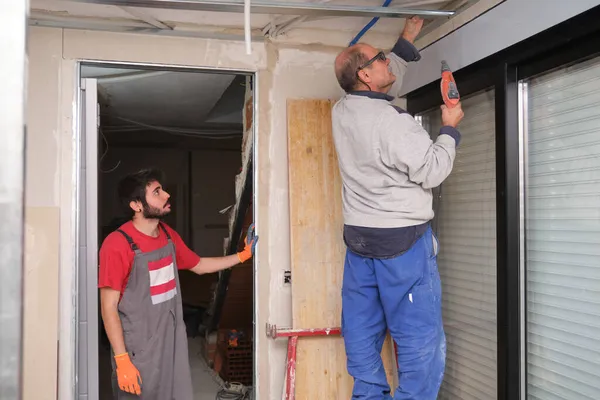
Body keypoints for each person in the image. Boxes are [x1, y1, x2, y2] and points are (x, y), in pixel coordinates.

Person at [331, 16, 464, 400]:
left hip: (359, 245)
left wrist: (406, 40)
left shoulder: (342, 111)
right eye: (381, 59)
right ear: (366, 76)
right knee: (420, 346)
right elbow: (433, 170)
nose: (388, 62)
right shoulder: (393, 124)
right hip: (402, 248)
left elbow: (388, 82)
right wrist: (450, 127)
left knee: (362, 338)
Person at [98, 168, 257, 399]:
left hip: (171, 342)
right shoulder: (117, 245)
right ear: (137, 205)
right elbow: (108, 307)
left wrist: (242, 256)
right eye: (157, 192)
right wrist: (122, 360)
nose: (166, 195)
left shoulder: (167, 235)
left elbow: (199, 265)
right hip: (138, 349)